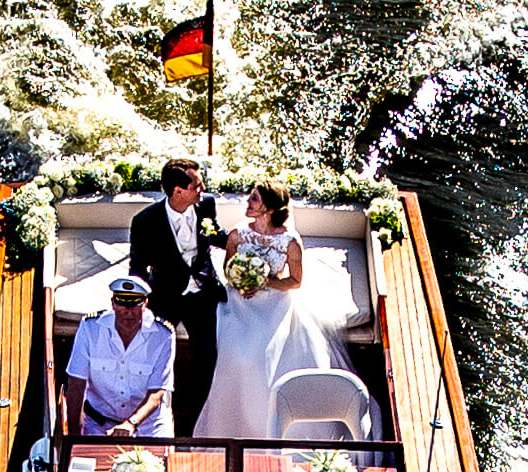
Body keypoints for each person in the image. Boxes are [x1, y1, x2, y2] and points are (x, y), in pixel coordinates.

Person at [193, 179, 353, 438]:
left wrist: (264, 282)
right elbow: (228, 269)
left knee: (267, 360)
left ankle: (272, 430)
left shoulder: (290, 241)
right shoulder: (237, 234)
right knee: (235, 353)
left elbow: (295, 281)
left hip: (276, 303)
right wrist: (242, 282)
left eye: (254, 198)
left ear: (268, 208)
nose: (248, 201)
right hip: (239, 301)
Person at [128, 158, 223, 429]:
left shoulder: (206, 205)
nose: (202, 188)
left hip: (202, 293)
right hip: (167, 294)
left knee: (208, 355)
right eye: (197, 185)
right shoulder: (145, 221)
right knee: (153, 353)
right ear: (178, 191)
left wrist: (245, 242)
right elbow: (137, 267)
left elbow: (216, 234)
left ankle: (195, 418)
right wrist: (138, 304)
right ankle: (153, 413)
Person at [62, 273, 176, 437]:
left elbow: (156, 393)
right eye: (122, 304)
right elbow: (76, 384)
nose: (128, 312)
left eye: (135, 305)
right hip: (99, 426)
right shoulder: (90, 328)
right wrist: (74, 438)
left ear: (145, 304)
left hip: (149, 427)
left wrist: (131, 423)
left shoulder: (163, 335)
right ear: (113, 303)